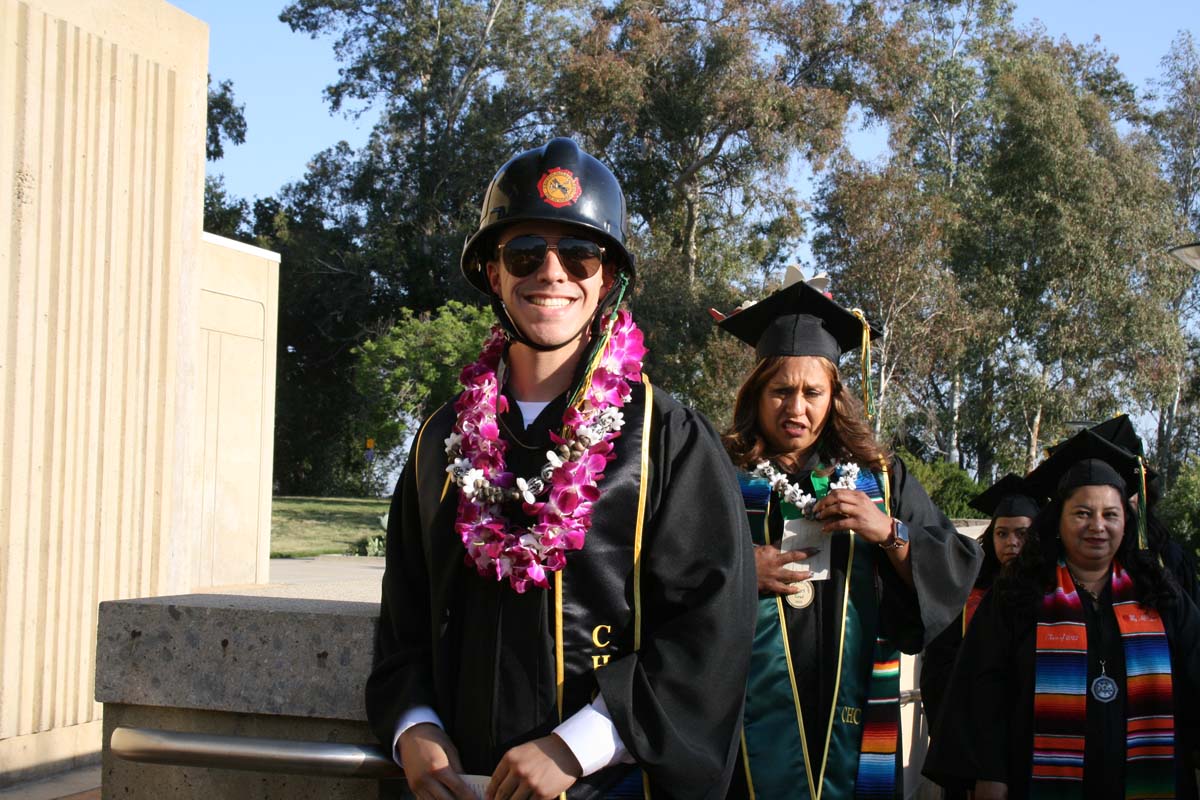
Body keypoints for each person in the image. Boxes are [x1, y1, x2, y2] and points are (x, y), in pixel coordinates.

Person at [365, 138, 757, 800]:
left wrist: (575, 746)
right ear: (493, 273)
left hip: (610, 786)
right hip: (460, 786)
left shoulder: (666, 437)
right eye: (524, 254)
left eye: (579, 256)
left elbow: (710, 629)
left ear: (606, 279)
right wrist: (415, 727)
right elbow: (403, 622)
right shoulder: (440, 441)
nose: (552, 273)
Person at [714, 277, 982, 800]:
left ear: (834, 396)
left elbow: (956, 566)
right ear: (756, 395)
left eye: (812, 392)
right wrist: (742, 569)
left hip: (854, 707)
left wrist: (889, 532)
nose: (796, 408)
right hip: (742, 716)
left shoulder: (878, 480)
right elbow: (670, 567)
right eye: (781, 391)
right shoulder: (721, 473)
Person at [923, 430, 1200, 799]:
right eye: (1082, 513)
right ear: (1059, 520)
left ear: (1126, 521)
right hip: (1034, 779)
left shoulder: (1159, 593)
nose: (1097, 526)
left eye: (1110, 514)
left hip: (1147, 777)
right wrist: (990, 773)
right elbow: (984, 690)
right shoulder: (1017, 594)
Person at [918, 474, 1041, 798]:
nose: (1011, 543)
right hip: (969, 737)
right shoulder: (967, 590)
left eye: (1022, 534)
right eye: (1002, 533)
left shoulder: (1053, 593)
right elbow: (938, 667)